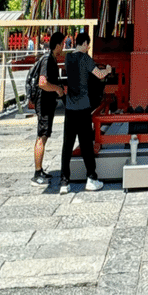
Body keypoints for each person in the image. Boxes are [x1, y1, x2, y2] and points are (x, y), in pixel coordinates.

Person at [57, 32, 112, 194]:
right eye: (88, 45)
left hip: (70, 108)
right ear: (84, 43)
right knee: (86, 144)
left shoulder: (68, 58)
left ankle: (64, 181)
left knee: (67, 145)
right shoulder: (85, 58)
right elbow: (99, 75)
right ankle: (91, 178)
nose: (88, 48)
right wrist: (107, 70)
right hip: (83, 107)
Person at [32, 32, 66, 185]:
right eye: (62, 44)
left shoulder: (51, 58)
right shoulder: (47, 60)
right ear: (57, 45)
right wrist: (57, 89)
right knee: (42, 136)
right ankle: (37, 172)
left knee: (44, 135)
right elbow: (42, 83)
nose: (63, 47)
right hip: (44, 102)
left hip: (48, 102)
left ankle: (40, 170)